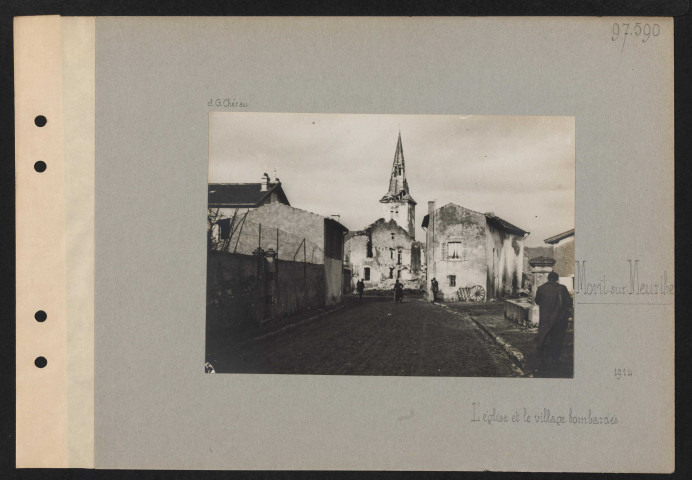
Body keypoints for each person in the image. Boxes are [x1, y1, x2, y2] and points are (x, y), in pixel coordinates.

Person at [535, 271, 572, 373]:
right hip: (559, 319)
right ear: (556, 278)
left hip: (545, 318)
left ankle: (543, 361)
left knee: (544, 337)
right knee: (557, 339)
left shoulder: (541, 288)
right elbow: (569, 302)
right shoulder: (562, 288)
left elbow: (537, 301)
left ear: (548, 278)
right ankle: (555, 359)